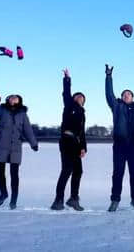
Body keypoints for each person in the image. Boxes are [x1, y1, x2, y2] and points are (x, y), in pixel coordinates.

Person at [105, 64, 134, 212]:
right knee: (117, 174)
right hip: (119, 145)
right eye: (124, 94)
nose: (126, 96)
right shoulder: (117, 106)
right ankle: (115, 201)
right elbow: (109, 94)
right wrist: (108, 77)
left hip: (133, 146)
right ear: (122, 97)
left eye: (129, 94)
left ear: (133, 97)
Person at [0, 93, 38, 210]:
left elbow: (28, 130)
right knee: (0, 172)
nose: (13, 99)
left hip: (15, 147)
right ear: (8, 100)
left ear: (19, 101)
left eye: (15, 98)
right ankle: (3, 193)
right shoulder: (2, 111)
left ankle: (13, 199)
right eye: (11, 98)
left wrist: (33, 143)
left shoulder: (22, 115)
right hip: (2, 145)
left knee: (14, 174)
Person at [51, 68, 87, 211]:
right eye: (77, 96)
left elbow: (82, 132)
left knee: (78, 171)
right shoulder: (69, 105)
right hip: (67, 142)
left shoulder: (82, 114)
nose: (79, 98)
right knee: (67, 170)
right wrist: (67, 79)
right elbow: (66, 93)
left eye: (82, 98)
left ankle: (73, 198)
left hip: (77, 145)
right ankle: (58, 200)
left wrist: (83, 147)